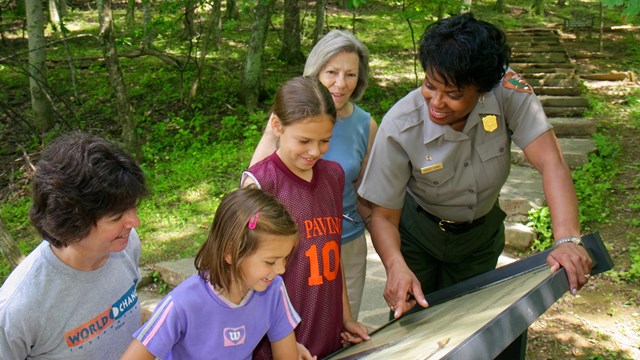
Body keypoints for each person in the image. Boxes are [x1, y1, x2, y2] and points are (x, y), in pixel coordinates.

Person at [357, 13, 593, 319]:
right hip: (417, 237)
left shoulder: (507, 91)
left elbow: (552, 161)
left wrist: (567, 240)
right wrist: (395, 266)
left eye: (453, 94)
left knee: (467, 324)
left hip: (479, 240)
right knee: (412, 328)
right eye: (430, 85)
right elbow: (384, 216)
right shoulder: (399, 125)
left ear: (483, 90)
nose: (437, 102)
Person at [250, 29, 378, 320]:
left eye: (351, 74)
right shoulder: (292, 117)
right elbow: (253, 189)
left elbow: (366, 194)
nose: (341, 83)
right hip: (290, 249)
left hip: (344, 242)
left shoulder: (366, 125)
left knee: (341, 325)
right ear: (314, 71)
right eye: (331, 72)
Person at [243, 76, 370, 359]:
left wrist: (345, 318)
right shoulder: (261, 184)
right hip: (277, 341)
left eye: (325, 140)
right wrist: (283, 345)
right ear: (277, 126)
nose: (315, 151)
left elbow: (332, 255)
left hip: (327, 328)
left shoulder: (333, 176)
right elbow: (245, 278)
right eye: (304, 140)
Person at [0, 131, 148, 359]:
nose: (134, 222)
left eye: (133, 208)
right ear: (73, 221)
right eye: (116, 217)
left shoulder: (126, 245)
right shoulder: (18, 308)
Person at [120, 186, 303, 360]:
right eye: (270, 262)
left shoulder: (274, 290)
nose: (281, 270)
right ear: (231, 253)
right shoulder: (181, 303)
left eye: (285, 258)